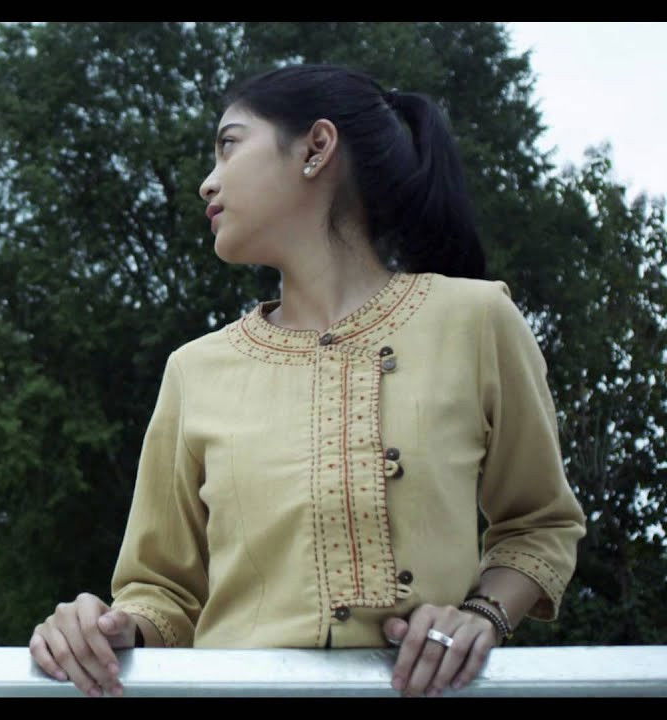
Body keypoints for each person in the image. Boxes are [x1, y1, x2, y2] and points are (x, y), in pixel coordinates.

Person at [29, 64, 585, 698]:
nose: (207, 181)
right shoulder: (195, 369)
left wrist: (482, 615)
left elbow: (540, 522)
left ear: (317, 147)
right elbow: (162, 592)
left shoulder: (476, 319)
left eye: (229, 144)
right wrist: (103, 627)